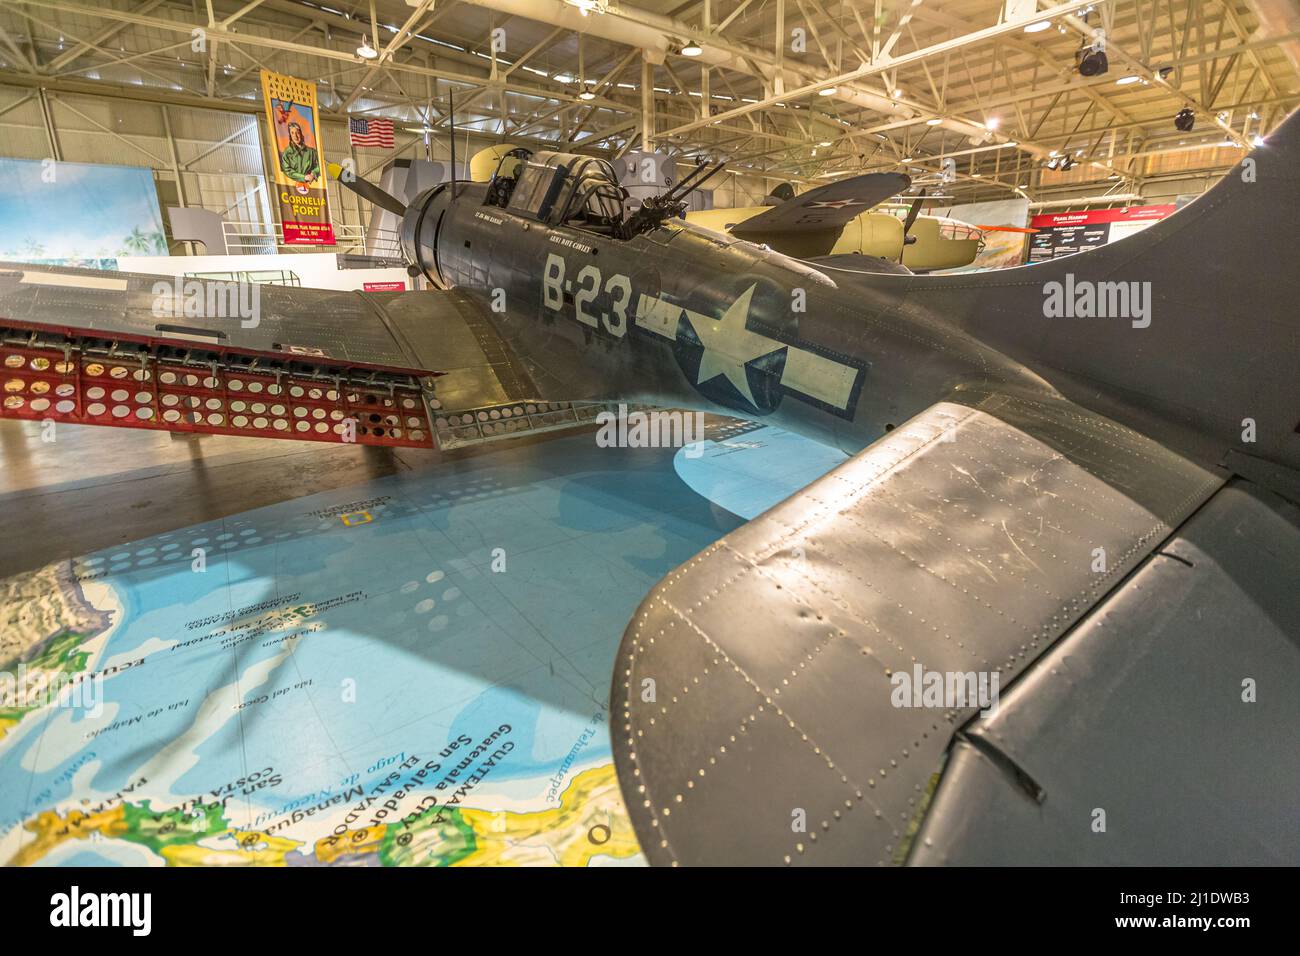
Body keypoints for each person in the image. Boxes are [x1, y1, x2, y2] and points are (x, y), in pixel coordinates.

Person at [280, 119, 321, 185]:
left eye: (297, 133)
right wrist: (304, 177)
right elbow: (287, 171)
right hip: (292, 188)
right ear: (290, 135)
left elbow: (319, 166)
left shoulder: (312, 152)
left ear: (301, 134)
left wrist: (314, 173)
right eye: (292, 133)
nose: (295, 136)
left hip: (312, 188)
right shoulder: (287, 154)